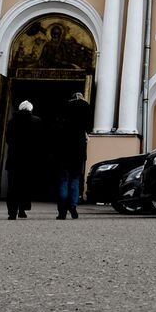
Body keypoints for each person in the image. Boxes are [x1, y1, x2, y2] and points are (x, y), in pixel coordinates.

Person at [54, 91, 92, 219]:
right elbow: (89, 128)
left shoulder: (65, 108)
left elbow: (57, 127)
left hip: (64, 150)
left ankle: (62, 211)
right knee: (75, 180)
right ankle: (73, 207)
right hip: (78, 150)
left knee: (63, 180)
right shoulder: (86, 108)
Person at [4, 100, 40, 220]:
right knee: (25, 185)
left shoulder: (12, 122)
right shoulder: (36, 121)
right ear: (31, 109)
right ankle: (22, 210)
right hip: (29, 160)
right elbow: (41, 141)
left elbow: (8, 139)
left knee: (13, 186)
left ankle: (12, 212)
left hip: (14, 158)